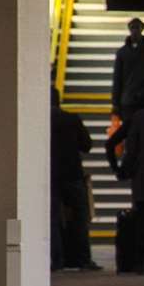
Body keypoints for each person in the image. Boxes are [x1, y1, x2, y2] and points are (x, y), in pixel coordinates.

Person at [106, 100, 144, 273]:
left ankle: (140, 264)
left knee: (142, 220)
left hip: (142, 178)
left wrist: (118, 169)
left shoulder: (138, 117)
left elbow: (110, 143)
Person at [51, 88, 97, 271]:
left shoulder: (39, 121)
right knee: (79, 217)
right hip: (72, 175)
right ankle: (82, 259)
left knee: (52, 218)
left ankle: (56, 260)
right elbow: (87, 145)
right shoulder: (72, 119)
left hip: (50, 176)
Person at [111, 18, 144, 122]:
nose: (135, 31)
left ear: (142, 29)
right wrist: (115, 104)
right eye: (133, 28)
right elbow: (117, 79)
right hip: (132, 101)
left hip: (141, 100)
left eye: (137, 27)